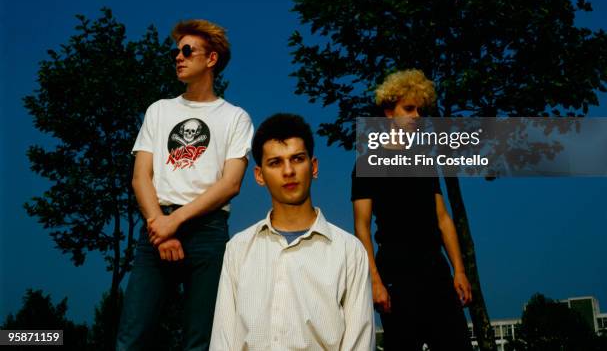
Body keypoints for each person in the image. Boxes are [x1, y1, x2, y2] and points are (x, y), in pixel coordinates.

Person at [117, 19, 253, 351]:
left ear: (211, 59)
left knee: (200, 341)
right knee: (131, 336)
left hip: (206, 232)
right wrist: (158, 226)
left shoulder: (235, 118)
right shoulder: (159, 110)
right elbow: (140, 177)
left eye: (188, 50)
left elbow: (231, 184)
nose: (179, 57)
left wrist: (172, 224)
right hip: (155, 228)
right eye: (177, 51)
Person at [210, 113, 375, 351]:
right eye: (275, 162)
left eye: (297, 159)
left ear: (314, 166)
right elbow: (223, 340)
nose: (288, 171)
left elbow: (359, 343)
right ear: (259, 176)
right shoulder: (238, 248)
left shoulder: (349, 251)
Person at [352, 69, 473, 350]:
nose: (417, 116)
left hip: (437, 272)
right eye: (409, 108)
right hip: (396, 275)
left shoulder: (426, 162)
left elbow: (443, 219)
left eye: (420, 109)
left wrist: (460, 271)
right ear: (389, 112)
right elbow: (362, 227)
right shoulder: (366, 164)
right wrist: (375, 281)